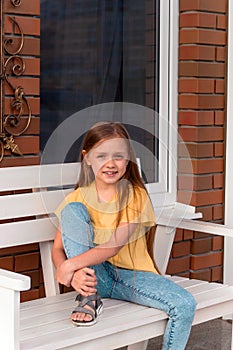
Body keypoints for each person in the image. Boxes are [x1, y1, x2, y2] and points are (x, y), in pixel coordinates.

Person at [52, 121, 196, 350]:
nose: (110, 163)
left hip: (134, 277)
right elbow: (58, 249)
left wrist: (69, 268)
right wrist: (71, 274)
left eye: (118, 156)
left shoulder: (134, 194)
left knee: (185, 304)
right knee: (72, 210)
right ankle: (89, 297)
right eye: (101, 156)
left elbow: (114, 245)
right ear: (87, 158)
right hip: (94, 277)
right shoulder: (77, 197)